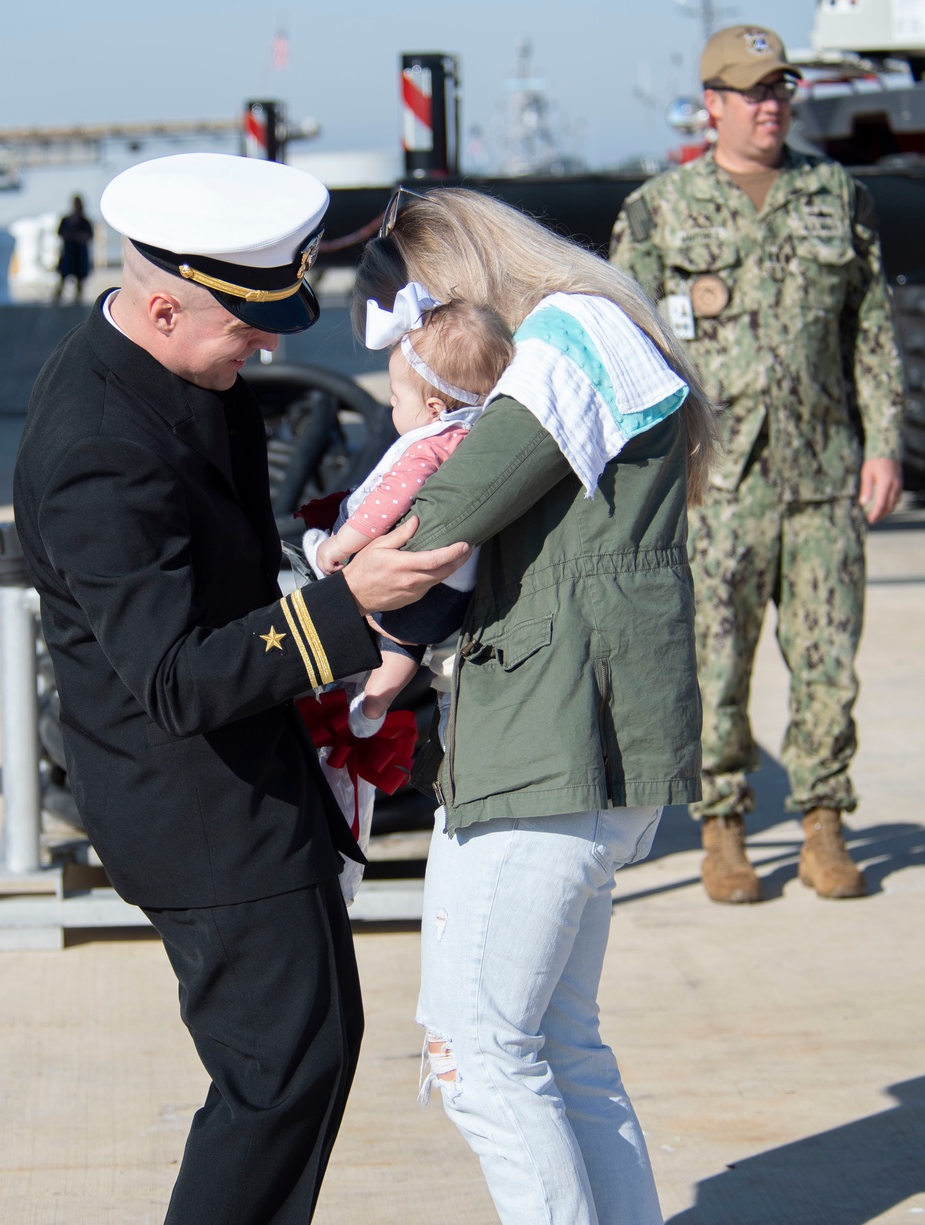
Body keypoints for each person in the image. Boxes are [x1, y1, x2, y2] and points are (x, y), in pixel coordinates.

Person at [12, 153, 469, 1225]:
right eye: (249, 324)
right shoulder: (98, 446)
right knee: (280, 1075)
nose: (269, 342)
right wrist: (346, 605)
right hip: (197, 806)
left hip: (243, 771)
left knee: (305, 1054)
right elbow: (170, 679)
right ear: (163, 303)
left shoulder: (169, 372)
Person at [352, 185, 715, 1225]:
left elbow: (448, 513)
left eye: (425, 313)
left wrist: (342, 560)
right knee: (558, 1042)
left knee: (475, 1050)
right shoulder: (602, 330)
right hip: (576, 730)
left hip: (553, 732)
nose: (430, 342)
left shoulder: (566, 334)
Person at [611, 24, 906, 904]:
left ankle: (823, 823)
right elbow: (626, 343)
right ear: (713, 105)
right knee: (716, 659)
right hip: (718, 481)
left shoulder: (835, 196)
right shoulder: (660, 209)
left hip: (822, 474)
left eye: (780, 89)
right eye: (751, 92)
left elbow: (872, 333)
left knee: (827, 658)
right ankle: (724, 827)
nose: (770, 105)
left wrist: (885, 442)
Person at [310, 288, 513, 736]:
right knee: (405, 648)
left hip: (405, 579)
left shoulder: (431, 445)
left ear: (434, 409)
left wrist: (341, 546)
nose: (391, 407)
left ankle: (321, 558)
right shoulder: (481, 437)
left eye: (397, 400)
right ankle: (376, 703)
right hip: (450, 594)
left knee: (382, 627)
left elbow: (389, 502)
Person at [54, 194, 94, 302]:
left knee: (80, 280)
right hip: (69, 253)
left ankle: (78, 299)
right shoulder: (67, 220)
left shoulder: (84, 221)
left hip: (79, 254)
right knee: (63, 277)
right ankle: (57, 297)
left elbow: (89, 236)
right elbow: (60, 233)